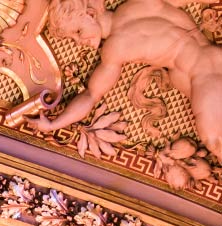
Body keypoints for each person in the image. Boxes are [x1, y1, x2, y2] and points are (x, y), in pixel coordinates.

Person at [34, 0, 222, 163]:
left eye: (78, 31)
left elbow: (91, 95)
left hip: (206, 82)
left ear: (90, 14)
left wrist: (53, 125)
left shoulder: (114, 48)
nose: (78, 41)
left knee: (215, 142)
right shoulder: (138, 4)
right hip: (213, 61)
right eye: (73, 38)